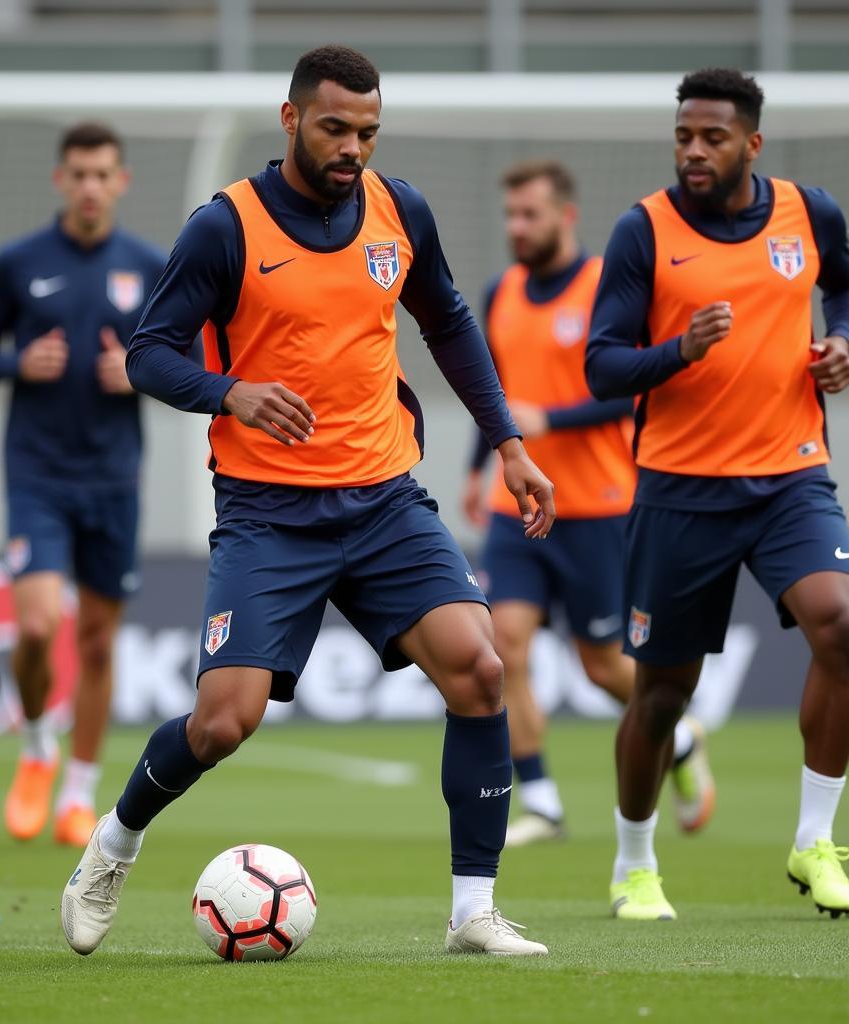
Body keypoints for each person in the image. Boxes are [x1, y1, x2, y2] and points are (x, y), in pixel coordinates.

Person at [61, 45, 556, 959]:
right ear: (291, 119)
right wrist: (231, 391)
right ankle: (113, 843)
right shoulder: (227, 228)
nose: (353, 148)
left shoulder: (399, 211)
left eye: (368, 131)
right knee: (221, 723)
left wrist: (510, 447)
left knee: (481, 671)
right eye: (335, 128)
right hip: (269, 513)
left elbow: (446, 322)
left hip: (383, 499)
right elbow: (147, 354)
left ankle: (472, 913)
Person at [587, 68, 849, 921]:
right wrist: (679, 351)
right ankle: (634, 864)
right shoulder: (644, 231)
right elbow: (602, 365)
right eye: (684, 137)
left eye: (713, 138)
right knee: (662, 694)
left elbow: (844, 285)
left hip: (790, 477)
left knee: (842, 625)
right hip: (680, 491)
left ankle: (815, 842)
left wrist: (841, 339)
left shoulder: (810, 214)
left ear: (752, 144)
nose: (694, 151)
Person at [462, 160, 714, 847]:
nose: (518, 228)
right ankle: (541, 801)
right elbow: (494, 390)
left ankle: (681, 739)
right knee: (500, 645)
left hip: (600, 504)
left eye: (531, 215)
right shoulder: (500, 291)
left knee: (601, 664)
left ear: (566, 216)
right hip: (520, 509)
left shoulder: (608, 284)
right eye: (511, 215)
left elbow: (633, 386)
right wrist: (474, 466)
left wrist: (552, 421)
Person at [0, 124, 166, 848]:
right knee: (41, 625)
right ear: (60, 180)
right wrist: (20, 363)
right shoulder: (21, 261)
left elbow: (186, 357)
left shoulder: (149, 265)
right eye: (77, 173)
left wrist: (138, 370)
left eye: (102, 173)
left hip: (114, 477)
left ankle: (79, 793)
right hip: (39, 474)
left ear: (121, 182)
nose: (89, 186)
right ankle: (38, 746)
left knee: (101, 642)